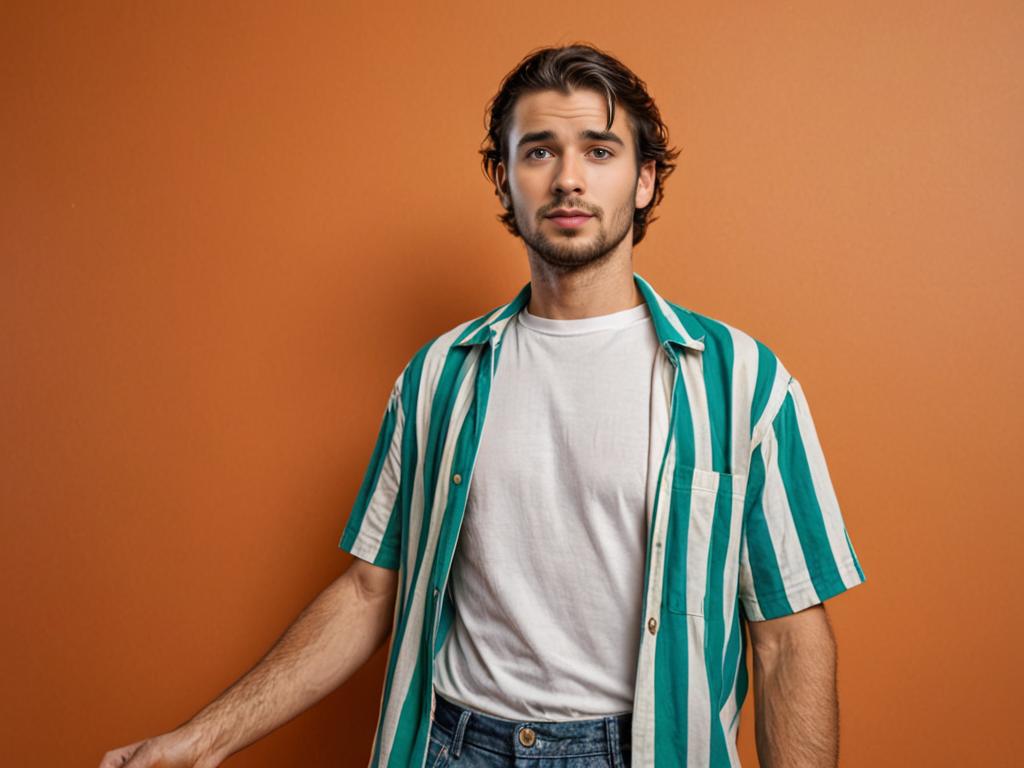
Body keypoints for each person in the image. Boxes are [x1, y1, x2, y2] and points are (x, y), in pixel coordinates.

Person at [100, 42, 867, 768]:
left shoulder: (742, 381)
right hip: (453, 743)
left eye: (600, 151)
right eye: (540, 151)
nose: (569, 179)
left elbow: (790, 638)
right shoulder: (439, 376)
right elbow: (371, 590)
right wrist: (205, 737)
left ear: (644, 181)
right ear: (504, 179)